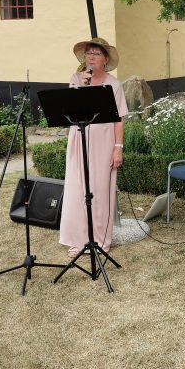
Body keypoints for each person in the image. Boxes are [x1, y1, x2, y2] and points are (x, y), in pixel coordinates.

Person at [59, 37, 129, 258]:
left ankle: (100, 239)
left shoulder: (114, 85)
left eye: (96, 53)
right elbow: (70, 109)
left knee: (99, 189)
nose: (90, 56)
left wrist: (118, 147)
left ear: (105, 59)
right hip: (79, 140)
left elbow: (119, 119)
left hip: (104, 142)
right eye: (88, 53)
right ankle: (78, 239)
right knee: (77, 188)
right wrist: (83, 85)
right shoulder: (76, 79)